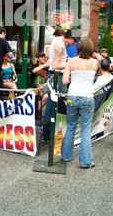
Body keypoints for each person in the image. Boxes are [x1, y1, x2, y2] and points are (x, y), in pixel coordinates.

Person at [60, 38, 99, 168]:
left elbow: (65, 81)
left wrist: (72, 76)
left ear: (78, 48)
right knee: (86, 129)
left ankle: (66, 156)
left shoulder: (71, 61)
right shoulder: (94, 62)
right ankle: (86, 161)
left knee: (70, 125)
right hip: (87, 96)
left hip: (72, 95)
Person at [42, 27, 81, 142]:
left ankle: (48, 133)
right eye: (75, 40)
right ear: (70, 38)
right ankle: (49, 134)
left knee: (53, 103)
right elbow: (55, 66)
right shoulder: (61, 46)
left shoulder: (57, 40)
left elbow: (50, 57)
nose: (74, 43)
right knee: (54, 105)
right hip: (57, 76)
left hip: (55, 76)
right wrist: (71, 63)